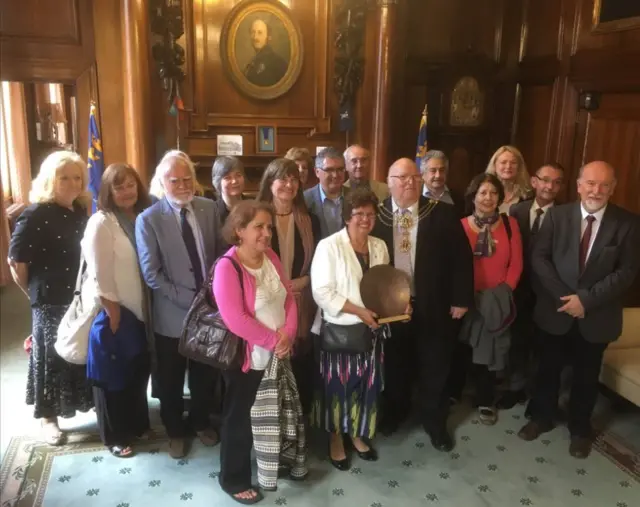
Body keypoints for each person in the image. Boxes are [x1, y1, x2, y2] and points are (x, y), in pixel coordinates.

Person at [518, 161, 640, 459]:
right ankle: (541, 417)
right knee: (547, 369)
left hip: (596, 316)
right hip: (555, 311)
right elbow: (540, 259)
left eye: (603, 185)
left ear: (612, 188)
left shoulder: (628, 223)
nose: (596, 190)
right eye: (590, 183)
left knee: (587, 377)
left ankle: (579, 429)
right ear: (578, 185)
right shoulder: (558, 216)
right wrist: (566, 299)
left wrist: (585, 300)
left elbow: (626, 272)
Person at [372, 158, 473, 452]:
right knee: (395, 364)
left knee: (435, 363)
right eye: (402, 178)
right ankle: (396, 412)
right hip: (390, 308)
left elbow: (461, 259)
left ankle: (435, 421)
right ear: (388, 182)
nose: (410, 183)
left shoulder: (442, 213)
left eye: (415, 177)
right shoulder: (376, 216)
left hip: (435, 304)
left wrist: (461, 299)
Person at [136, 150, 223, 459]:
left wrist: (214, 295)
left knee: (203, 374)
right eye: (175, 180)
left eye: (188, 179)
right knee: (170, 379)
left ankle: (200, 422)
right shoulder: (148, 219)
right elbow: (152, 273)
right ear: (162, 182)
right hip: (171, 315)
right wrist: (190, 300)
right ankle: (175, 430)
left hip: (210, 312)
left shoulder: (209, 209)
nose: (183, 185)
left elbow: (221, 254)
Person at [213, 200, 298, 504]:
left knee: (270, 415)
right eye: (258, 227)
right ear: (239, 231)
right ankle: (233, 479)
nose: (266, 233)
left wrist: (287, 334)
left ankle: (271, 466)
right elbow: (236, 320)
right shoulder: (227, 266)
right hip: (247, 359)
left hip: (277, 352)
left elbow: (288, 298)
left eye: (269, 227)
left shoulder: (270, 256)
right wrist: (275, 340)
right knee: (239, 420)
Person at [8, 150, 94, 445]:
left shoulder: (79, 210)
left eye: (77, 177)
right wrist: (34, 298)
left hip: (77, 295)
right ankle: (48, 418)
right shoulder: (36, 213)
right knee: (50, 357)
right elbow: (16, 262)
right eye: (64, 178)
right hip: (48, 299)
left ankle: (78, 404)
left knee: (76, 349)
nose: (72, 183)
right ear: (49, 180)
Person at [310, 188, 390, 471]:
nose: (366, 219)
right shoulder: (329, 246)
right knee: (338, 389)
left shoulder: (379, 246)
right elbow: (321, 292)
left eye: (370, 214)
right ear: (347, 217)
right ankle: (335, 439)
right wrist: (359, 311)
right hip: (341, 332)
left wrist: (397, 306)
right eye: (359, 214)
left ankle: (356, 435)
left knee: (364, 388)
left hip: (372, 333)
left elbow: (384, 286)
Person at [82, 163, 152, 457]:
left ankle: (136, 424)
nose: (126, 191)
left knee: (137, 374)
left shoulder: (140, 217)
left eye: (131, 185)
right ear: (108, 191)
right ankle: (115, 435)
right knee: (113, 378)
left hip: (142, 310)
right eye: (119, 187)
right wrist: (112, 312)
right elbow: (99, 273)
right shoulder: (102, 222)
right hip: (116, 310)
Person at [456, 173, 523, 425]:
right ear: (473, 197)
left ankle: (485, 399)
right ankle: (459, 393)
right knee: (465, 347)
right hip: (468, 299)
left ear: (500, 197)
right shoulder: (461, 226)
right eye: (482, 193)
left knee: (490, 351)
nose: (488, 198)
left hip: (497, 299)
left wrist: (504, 291)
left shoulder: (510, 225)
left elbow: (516, 263)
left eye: (493, 193)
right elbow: (456, 265)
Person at [498, 163, 565, 412]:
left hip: (549, 292)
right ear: (534, 182)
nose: (549, 186)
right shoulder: (517, 210)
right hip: (519, 288)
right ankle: (515, 388)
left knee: (543, 344)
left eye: (556, 182)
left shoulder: (566, 214)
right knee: (517, 341)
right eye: (545, 180)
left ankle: (538, 393)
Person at [256, 158, 320, 414]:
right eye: (282, 178)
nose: (289, 184)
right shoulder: (257, 218)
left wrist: (305, 280)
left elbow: (319, 259)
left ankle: (299, 418)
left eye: (294, 179)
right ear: (270, 182)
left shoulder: (310, 220)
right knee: (271, 361)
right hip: (267, 302)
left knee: (300, 362)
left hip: (302, 298)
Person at [304, 147, 348, 239]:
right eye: (329, 170)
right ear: (317, 172)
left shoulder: (355, 197)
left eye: (340, 169)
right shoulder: (304, 200)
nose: (335, 175)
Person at [485, 145, 531, 213]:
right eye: (503, 162)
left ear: (519, 167)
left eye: (513, 163)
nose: (508, 166)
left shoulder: (528, 195)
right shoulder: (483, 193)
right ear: (494, 165)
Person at [420, 150, 465, 217]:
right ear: (423, 174)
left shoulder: (458, 199)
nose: (438, 175)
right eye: (433, 170)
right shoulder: (414, 197)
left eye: (442, 170)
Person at [244, 18, 288, 87]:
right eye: (253, 32)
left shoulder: (278, 63)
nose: (255, 37)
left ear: (268, 37)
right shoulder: (253, 61)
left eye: (260, 33)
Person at [211, 155, 246, 224]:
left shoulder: (254, 206)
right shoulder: (212, 212)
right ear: (218, 182)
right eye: (227, 178)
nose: (234, 181)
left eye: (238, 175)